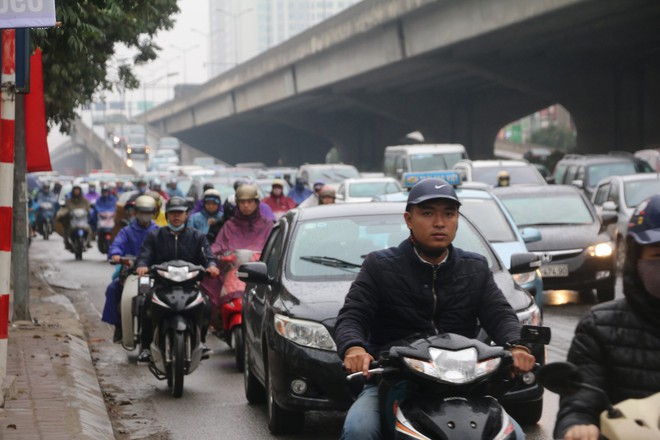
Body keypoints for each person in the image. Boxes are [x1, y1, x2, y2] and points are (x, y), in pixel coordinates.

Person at [334, 178, 535, 440]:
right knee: (359, 429)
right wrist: (354, 348)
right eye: (428, 213)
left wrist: (517, 346)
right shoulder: (379, 266)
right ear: (409, 219)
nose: (439, 222)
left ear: (457, 219)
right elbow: (353, 315)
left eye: (449, 214)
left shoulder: (474, 267)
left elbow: (499, 313)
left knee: (514, 435)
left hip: (465, 383)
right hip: (395, 378)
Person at [553, 195, 660, 440]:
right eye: (657, 255)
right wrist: (577, 427)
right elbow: (580, 401)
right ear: (635, 259)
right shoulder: (599, 327)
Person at [135, 196, 220, 363]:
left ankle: (201, 343)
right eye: (173, 213)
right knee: (145, 305)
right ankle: (145, 347)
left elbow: (207, 256)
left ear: (187, 215)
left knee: (207, 305)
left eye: (180, 213)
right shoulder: (155, 236)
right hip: (162, 285)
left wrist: (211, 266)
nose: (176, 216)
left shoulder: (197, 237)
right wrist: (143, 265)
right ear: (166, 215)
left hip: (189, 285)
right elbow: (145, 255)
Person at [204, 184, 273, 332]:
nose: (246, 206)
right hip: (234, 273)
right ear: (237, 204)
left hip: (260, 276)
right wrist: (220, 257)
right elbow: (217, 247)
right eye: (242, 202)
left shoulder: (268, 225)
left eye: (250, 202)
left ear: (256, 203)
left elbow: (274, 250)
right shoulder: (229, 226)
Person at [102, 195, 159, 342]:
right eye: (142, 212)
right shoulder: (126, 231)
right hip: (130, 273)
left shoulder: (158, 231)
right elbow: (116, 245)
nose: (145, 215)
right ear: (136, 212)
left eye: (148, 212)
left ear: (153, 213)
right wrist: (115, 254)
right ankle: (119, 326)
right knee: (113, 289)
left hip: (152, 274)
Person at [57, 185, 91, 250]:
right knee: (66, 229)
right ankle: (67, 242)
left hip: (82, 221)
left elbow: (88, 209)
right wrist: (63, 214)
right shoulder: (69, 201)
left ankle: (88, 242)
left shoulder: (85, 201)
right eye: (75, 190)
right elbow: (65, 209)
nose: (76, 192)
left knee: (89, 229)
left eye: (78, 190)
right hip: (72, 221)